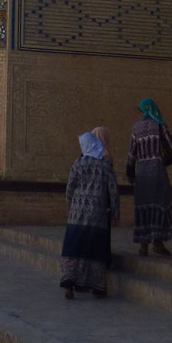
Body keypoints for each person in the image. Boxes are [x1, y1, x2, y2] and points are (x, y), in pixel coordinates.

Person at [60, 126, 119, 299]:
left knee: (74, 247)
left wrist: (70, 207)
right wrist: (115, 212)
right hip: (98, 216)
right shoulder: (104, 166)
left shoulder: (78, 164)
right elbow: (113, 191)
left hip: (77, 216)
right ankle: (97, 287)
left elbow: (69, 189)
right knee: (95, 249)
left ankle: (69, 285)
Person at [128, 98, 172, 255]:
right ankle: (158, 242)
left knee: (144, 206)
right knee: (160, 205)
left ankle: (143, 246)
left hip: (142, 173)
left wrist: (130, 172)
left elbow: (131, 154)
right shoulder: (159, 125)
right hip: (158, 172)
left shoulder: (136, 128)